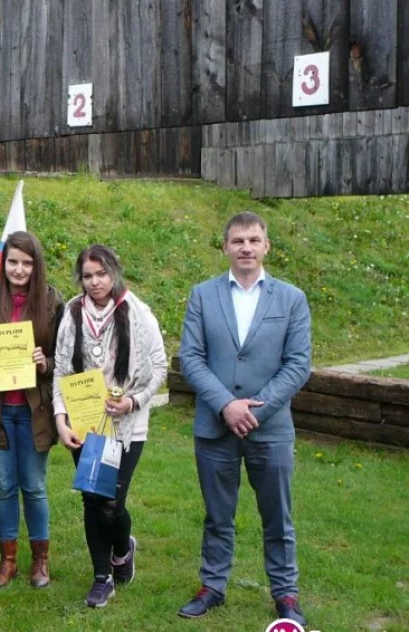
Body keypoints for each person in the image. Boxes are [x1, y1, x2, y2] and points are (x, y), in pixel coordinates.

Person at [178, 212, 311, 626]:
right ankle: (212, 586)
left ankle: (285, 595)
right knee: (218, 515)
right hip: (214, 427)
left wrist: (256, 409)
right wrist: (226, 405)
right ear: (226, 247)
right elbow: (191, 358)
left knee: (278, 516)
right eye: (238, 241)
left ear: (267, 246)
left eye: (254, 240)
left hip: (269, 428)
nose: (247, 248)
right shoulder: (202, 295)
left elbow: (298, 364)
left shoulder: (291, 299)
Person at [52, 244, 167, 608]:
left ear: (114, 272)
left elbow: (160, 369)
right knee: (91, 498)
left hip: (127, 426)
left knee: (112, 503)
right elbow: (60, 371)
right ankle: (102, 577)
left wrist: (132, 401)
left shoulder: (138, 312)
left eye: (101, 274)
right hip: (85, 425)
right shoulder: (72, 313)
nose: (95, 282)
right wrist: (60, 419)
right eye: (87, 276)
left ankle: (123, 550)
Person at [0, 231, 64, 590]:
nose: (19, 269)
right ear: (4, 263)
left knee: (33, 486)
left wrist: (45, 362)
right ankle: (7, 562)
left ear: (37, 265)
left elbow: (67, 356)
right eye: (13, 262)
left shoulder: (52, 302)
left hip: (35, 411)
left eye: (26, 262)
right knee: (4, 486)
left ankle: (40, 560)